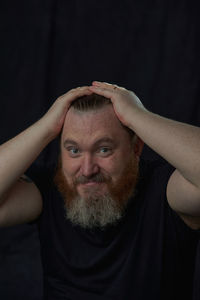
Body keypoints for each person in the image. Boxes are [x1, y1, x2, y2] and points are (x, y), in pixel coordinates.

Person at [0, 81, 200, 300]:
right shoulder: (50, 187)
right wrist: (46, 127)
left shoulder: (164, 188)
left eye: (104, 149)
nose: (87, 170)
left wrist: (136, 115)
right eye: (74, 150)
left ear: (136, 148)